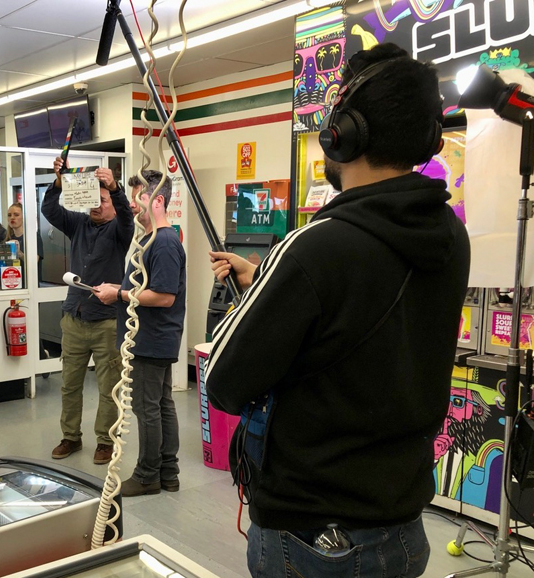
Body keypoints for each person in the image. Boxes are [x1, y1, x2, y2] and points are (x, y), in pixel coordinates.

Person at [206, 43, 470, 577]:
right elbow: (363, 309)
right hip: (402, 529)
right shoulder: (449, 235)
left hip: (313, 540)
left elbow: (222, 380)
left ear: (342, 134)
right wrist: (266, 281)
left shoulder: (314, 247)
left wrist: (269, 289)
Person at [94, 170, 185, 496]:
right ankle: (168, 473)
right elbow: (146, 286)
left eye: (138, 198)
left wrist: (118, 294)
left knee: (147, 409)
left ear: (157, 200)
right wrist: (119, 287)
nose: (132, 205)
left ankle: (147, 476)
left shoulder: (164, 242)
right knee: (160, 404)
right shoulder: (149, 239)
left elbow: (164, 296)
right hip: (152, 337)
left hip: (150, 338)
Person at [43, 157, 133, 464]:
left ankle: (105, 441)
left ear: (113, 206)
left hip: (107, 322)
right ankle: (70, 437)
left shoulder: (120, 230)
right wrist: (59, 181)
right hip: (74, 318)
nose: (97, 205)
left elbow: (126, 215)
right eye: (94, 199)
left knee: (109, 388)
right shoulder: (79, 225)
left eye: (104, 200)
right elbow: (50, 210)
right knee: (69, 384)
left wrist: (115, 188)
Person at [5, 202, 44, 280]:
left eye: (16, 215)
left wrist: (19, 253)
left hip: (30, 282)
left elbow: (33, 263)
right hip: (12, 280)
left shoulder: (33, 237)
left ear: (24, 217)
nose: (12, 218)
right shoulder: (8, 238)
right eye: (9, 215)